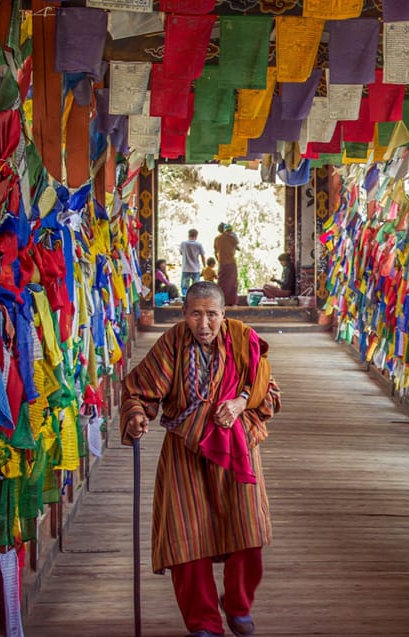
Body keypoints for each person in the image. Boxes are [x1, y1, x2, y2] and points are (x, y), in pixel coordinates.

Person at [121, 282, 280, 637]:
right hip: (185, 449)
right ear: (184, 314)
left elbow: (266, 390)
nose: (204, 323)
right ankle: (203, 623)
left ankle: (238, 604)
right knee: (185, 539)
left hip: (237, 448)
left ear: (224, 315)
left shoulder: (243, 340)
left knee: (248, 533)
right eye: (196, 314)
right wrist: (137, 414)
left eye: (212, 314)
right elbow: (141, 389)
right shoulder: (172, 343)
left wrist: (239, 404)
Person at [214, 223, 240, 306]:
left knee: (222, 283)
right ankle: (232, 302)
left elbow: (216, 252)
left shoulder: (217, 239)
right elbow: (237, 246)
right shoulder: (231, 237)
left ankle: (221, 302)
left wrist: (219, 261)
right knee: (232, 283)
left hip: (222, 263)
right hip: (231, 263)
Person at [179, 229, 206, 295]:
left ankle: (185, 300)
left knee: (184, 287)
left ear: (188, 235)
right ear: (196, 235)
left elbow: (181, 253)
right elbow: (203, 256)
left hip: (186, 268)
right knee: (196, 288)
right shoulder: (199, 244)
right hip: (195, 269)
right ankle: (195, 300)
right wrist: (204, 266)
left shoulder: (183, 243)